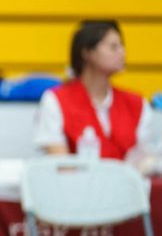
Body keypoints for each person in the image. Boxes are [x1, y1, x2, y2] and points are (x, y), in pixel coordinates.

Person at [34, 20, 151, 159]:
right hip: (74, 181)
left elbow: (145, 164)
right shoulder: (55, 100)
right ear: (87, 52)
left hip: (128, 181)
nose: (123, 52)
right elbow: (60, 166)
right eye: (113, 47)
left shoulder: (137, 104)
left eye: (122, 46)